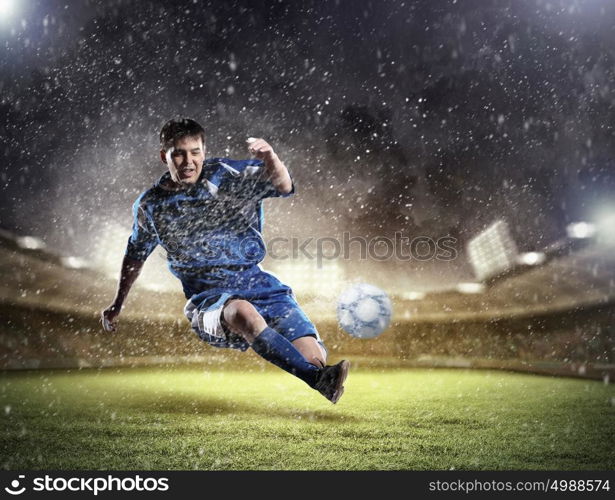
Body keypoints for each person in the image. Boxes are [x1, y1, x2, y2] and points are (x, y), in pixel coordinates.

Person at [101, 118, 349, 403]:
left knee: (312, 356)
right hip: (208, 299)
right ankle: (318, 380)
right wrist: (117, 304)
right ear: (164, 156)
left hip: (259, 284)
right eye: (178, 153)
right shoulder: (151, 206)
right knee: (242, 313)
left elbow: (283, 185)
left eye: (195, 151)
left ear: (203, 152)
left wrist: (271, 157)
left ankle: (318, 376)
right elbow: (135, 256)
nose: (187, 161)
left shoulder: (228, 175)